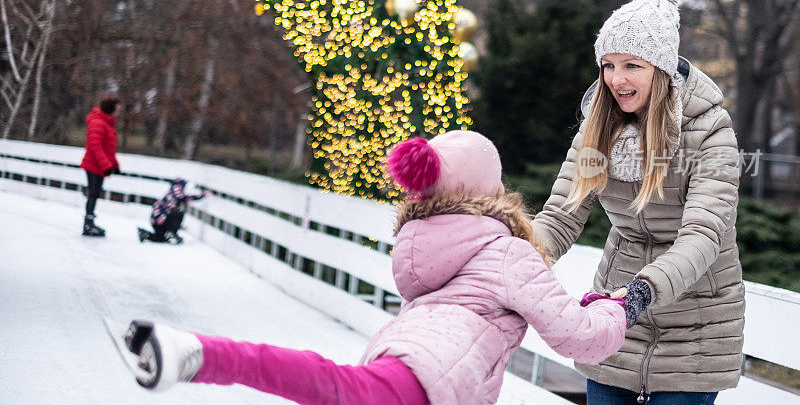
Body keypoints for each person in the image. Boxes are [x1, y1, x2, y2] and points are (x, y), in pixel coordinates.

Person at [115, 130, 628, 404]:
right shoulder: (506, 249)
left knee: (334, 386)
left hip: (404, 362)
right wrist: (620, 307)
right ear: (488, 190)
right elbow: (579, 336)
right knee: (327, 385)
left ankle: (201, 355)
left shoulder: (426, 241)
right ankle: (201, 354)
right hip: (422, 382)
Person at [533, 0, 744, 404]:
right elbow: (561, 216)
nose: (616, 78)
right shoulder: (599, 128)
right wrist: (511, 256)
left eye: (632, 65)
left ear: (661, 69)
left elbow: (704, 235)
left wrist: (643, 291)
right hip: (616, 322)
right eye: (608, 65)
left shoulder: (710, 131)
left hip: (694, 332)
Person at [79, 94, 121, 237]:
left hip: (100, 165)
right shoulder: (98, 123)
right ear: (110, 109)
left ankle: (90, 222)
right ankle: (88, 225)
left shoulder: (107, 123)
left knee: (95, 194)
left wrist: (114, 165)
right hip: (94, 165)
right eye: (117, 109)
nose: (118, 112)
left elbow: (109, 148)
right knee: (93, 193)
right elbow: (95, 147)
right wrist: (106, 166)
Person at [138, 178, 208, 244]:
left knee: (161, 238)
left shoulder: (169, 195)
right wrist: (203, 195)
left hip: (156, 222)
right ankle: (171, 234)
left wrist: (177, 225)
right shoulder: (177, 195)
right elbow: (190, 198)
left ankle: (146, 234)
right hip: (162, 221)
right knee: (179, 213)